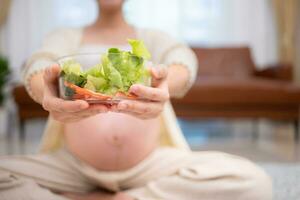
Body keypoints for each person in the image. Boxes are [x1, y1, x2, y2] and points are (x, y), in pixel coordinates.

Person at [0, 0, 272, 199]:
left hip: (150, 165)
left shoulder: (151, 37)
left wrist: (167, 82)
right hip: (73, 166)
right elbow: (40, 62)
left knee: (255, 183)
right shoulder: (66, 37)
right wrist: (44, 90)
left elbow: (182, 59)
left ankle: (132, 197)